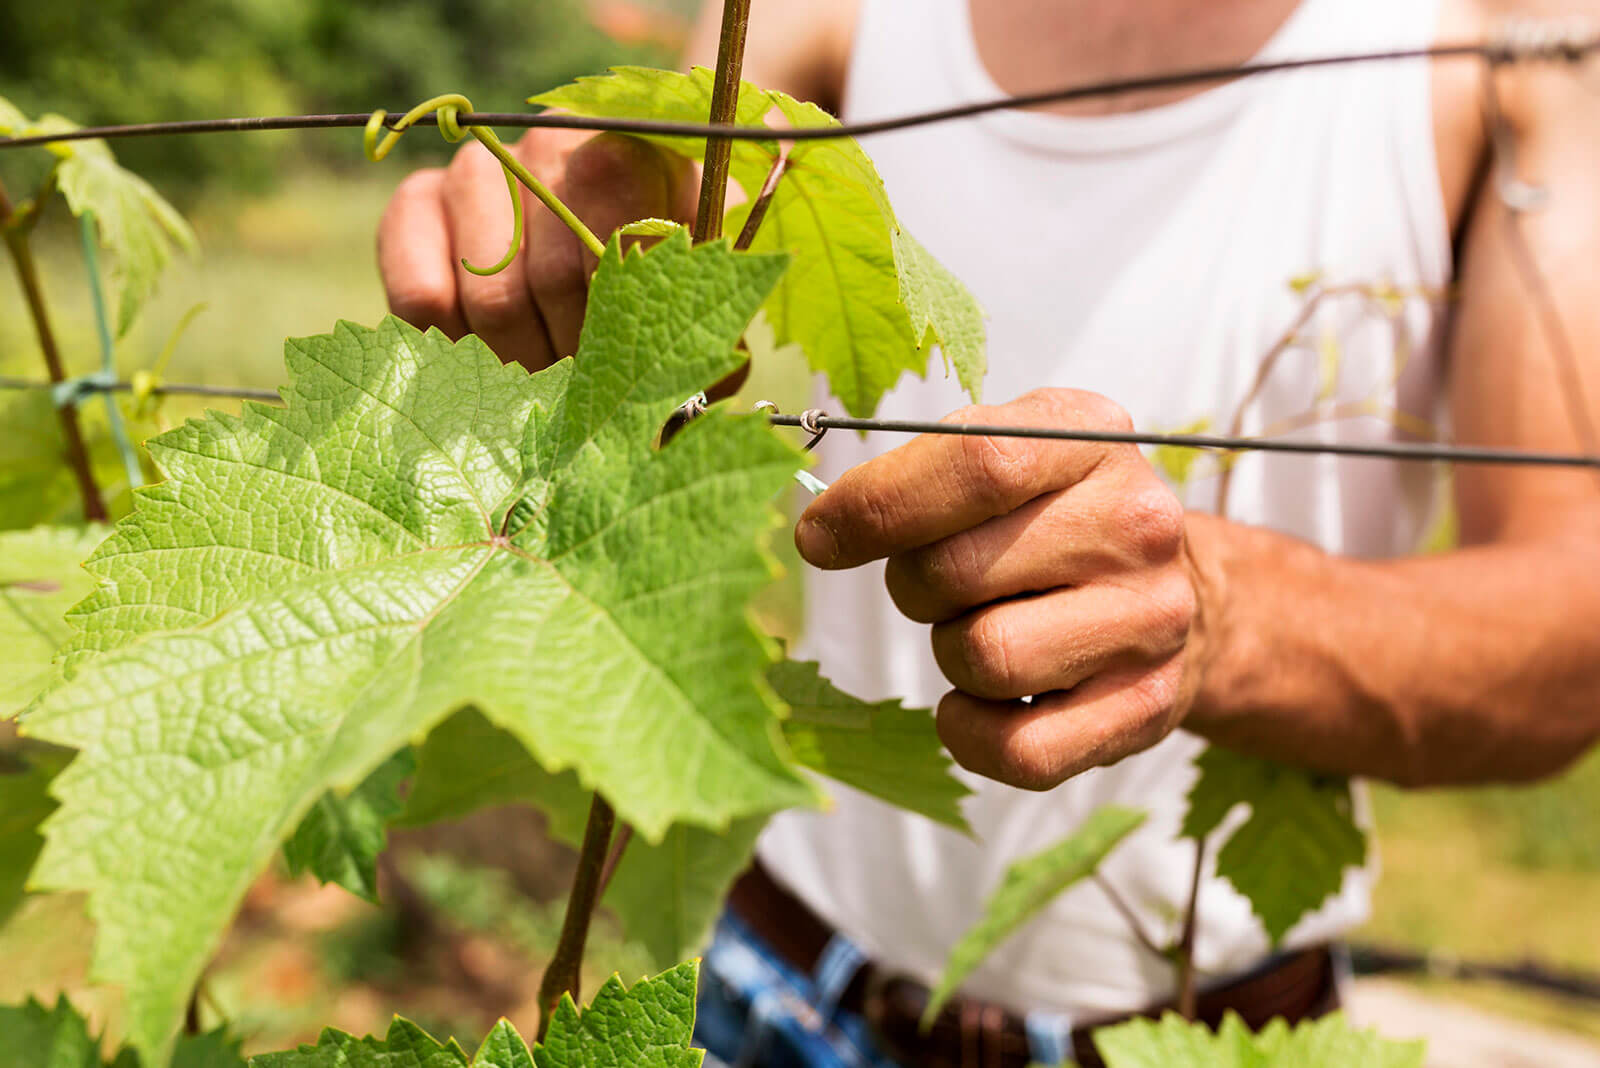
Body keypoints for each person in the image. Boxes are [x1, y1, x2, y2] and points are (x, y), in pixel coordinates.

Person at [377, 0, 1600, 1063]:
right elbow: (684, 194)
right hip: (781, 990)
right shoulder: (835, 8)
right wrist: (570, 214)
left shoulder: (1511, 47)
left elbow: (1573, 633)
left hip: (1213, 1039)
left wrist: (1224, 617)